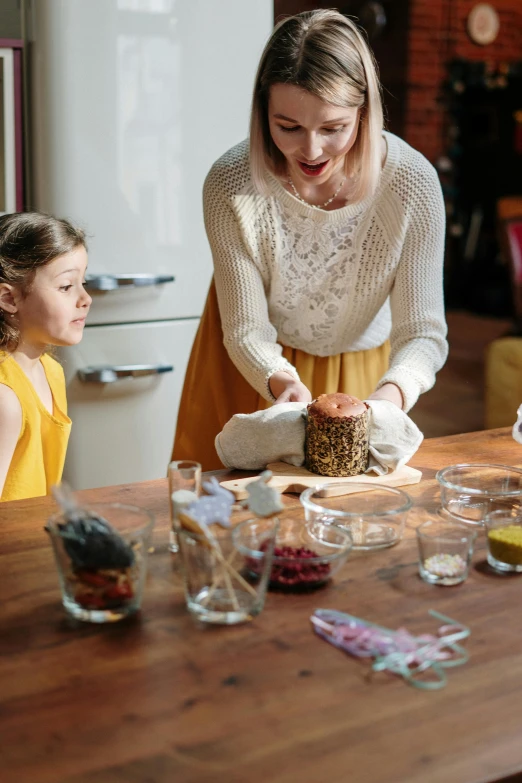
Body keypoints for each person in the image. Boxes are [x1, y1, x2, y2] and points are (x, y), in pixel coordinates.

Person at [172, 9, 447, 471]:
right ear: (263, 114)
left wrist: (390, 396)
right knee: (227, 516)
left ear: (364, 113)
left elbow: (422, 332)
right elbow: (244, 330)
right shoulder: (229, 183)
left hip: (363, 370)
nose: (312, 150)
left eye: (333, 128)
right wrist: (280, 383)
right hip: (252, 367)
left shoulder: (412, 184)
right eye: (289, 127)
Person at [0, 212, 91, 501]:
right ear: (9, 299)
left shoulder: (50, 370)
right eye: (66, 286)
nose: (85, 299)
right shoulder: (6, 400)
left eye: (83, 283)